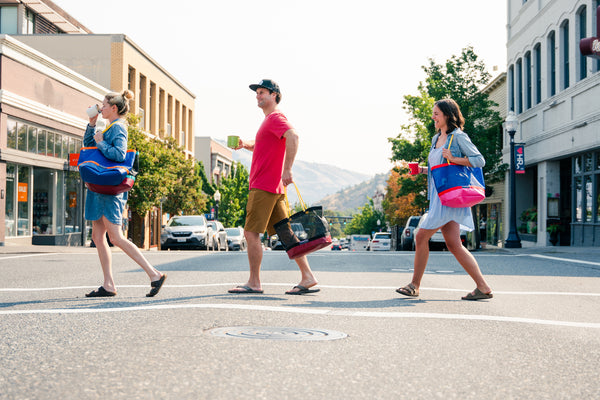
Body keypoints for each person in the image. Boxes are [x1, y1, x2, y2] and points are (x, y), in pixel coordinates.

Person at [228, 79, 319, 295]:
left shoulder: (276, 117)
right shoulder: (268, 121)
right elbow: (262, 145)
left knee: (251, 233)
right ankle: (308, 276)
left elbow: (293, 136)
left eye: (262, 92)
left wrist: (288, 169)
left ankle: (254, 282)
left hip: (264, 185)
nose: (258, 96)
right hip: (273, 187)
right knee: (285, 233)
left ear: (274, 95)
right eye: (257, 93)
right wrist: (244, 144)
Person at [396, 99, 493, 300]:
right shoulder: (435, 139)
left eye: (436, 113)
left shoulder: (458, 137)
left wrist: (455, 158)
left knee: (421, 236)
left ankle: (414, 285)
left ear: (447, 115)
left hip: (449, 198)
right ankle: (483, 287)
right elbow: (438, 170)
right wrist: (421, 170)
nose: (433, 117)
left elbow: (479, 160)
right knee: (454, 244)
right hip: (440, 197)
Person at [84, 90, 166, 298]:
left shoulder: (118, 128)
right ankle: (109, 284)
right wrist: (92, 125)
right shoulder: (107, 126)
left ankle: (154, 274)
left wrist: (101, 141)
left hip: (108, 190)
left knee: (116, 237)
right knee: (97, 236)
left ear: (114, 108)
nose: (100, 108)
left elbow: (119, 154)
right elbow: (89, 146)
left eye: (103, 105)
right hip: (100, 187)